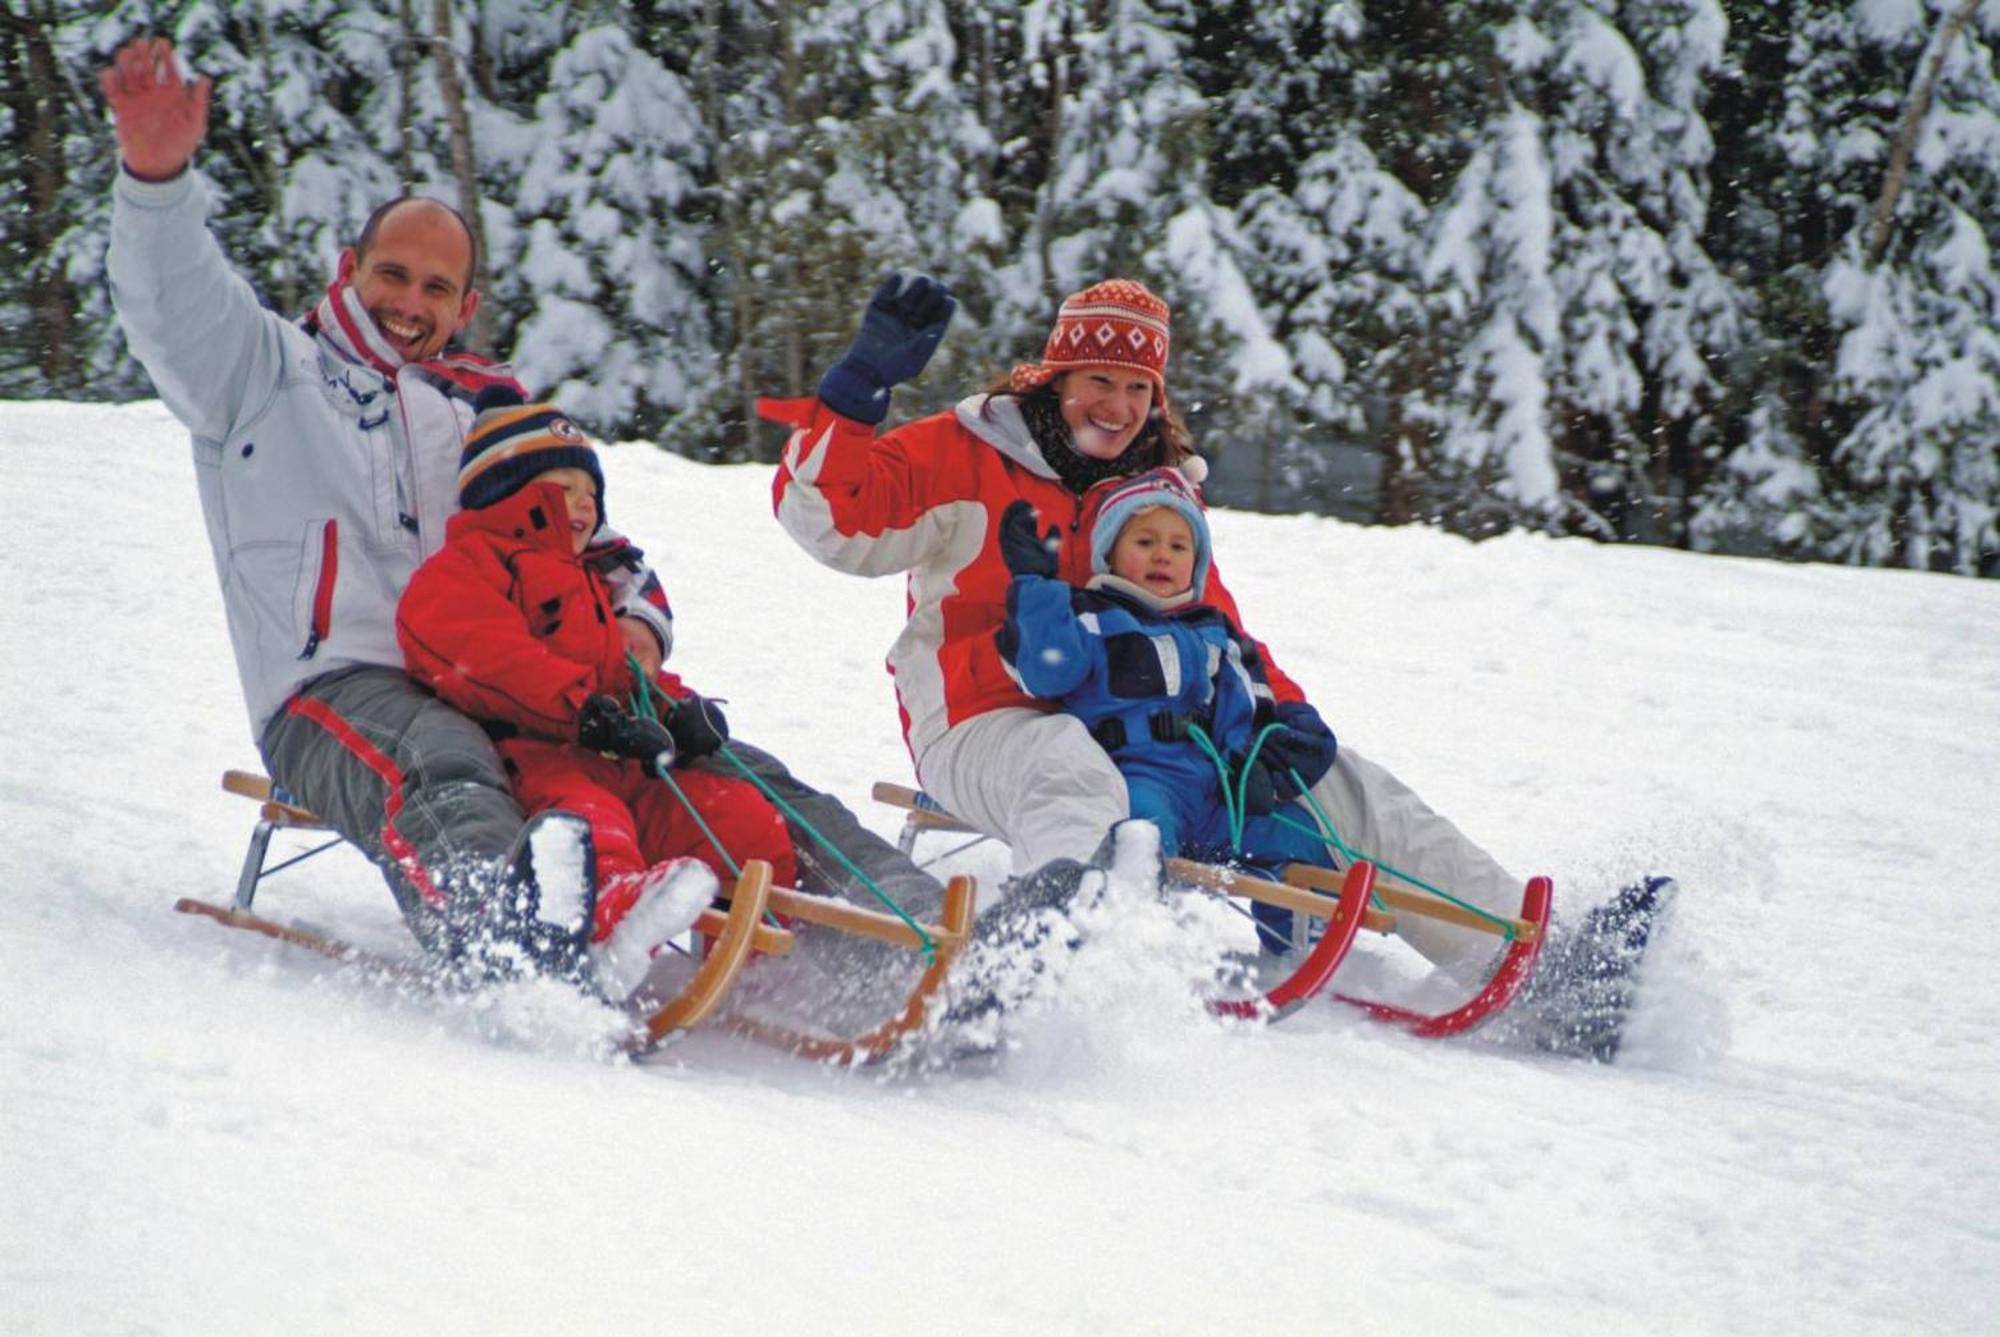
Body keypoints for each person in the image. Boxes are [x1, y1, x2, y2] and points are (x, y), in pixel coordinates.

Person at [101, 36, 941, 985]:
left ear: (466, 304)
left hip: (519, 684)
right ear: (349, 267)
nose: (409, 303)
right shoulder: (260, 375)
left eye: (435, 287)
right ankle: (512, 946)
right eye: (392, 275)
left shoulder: (486, 414)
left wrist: (635, 641)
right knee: (441, 760)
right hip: (340, 689)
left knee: (741, 769)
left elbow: (598, 545)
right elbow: (172, 304)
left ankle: (915, 934)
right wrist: (157, 177)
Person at [765, 272, 1534, 987]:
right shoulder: (966, 454)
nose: (1118, 405)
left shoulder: (1153, 492)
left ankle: (1520, 955)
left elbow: (1216, 626)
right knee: (1067, 767)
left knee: (1347, 787)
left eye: (1138, 387)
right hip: (985, 720)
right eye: (1100, 379)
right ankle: (1043, 968)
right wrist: (859, 391)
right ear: (1055, 376)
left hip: (1154, 738)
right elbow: (833, 522)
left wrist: (1281, 714)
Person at [395, 392, 800, 996]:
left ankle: (758, 976)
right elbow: (485, 656)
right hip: (541, 761)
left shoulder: (589, 579)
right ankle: (605, 936)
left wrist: (677, 710)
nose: (585, 504)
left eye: (591, 492)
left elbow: (624, 671)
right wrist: (583, 714)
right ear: (509, 492)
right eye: (563, 489)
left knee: (739, 818)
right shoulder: (466, 568)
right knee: (592, 829)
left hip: (624, 763)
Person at [993, 466, 1339, 953]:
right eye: (1145, 542)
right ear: (1111, 552)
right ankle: (1131, 940)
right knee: (1139, 838)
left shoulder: (1214, 631)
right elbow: (1048, 670)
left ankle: (1296, 941)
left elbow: (1251, 700)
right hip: (1139, 776)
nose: (1163, 555)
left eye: (1179, 547)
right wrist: (1038, 588)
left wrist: (1274, 745)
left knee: (1298, 832)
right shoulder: (1093, 617)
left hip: (1217, 792)